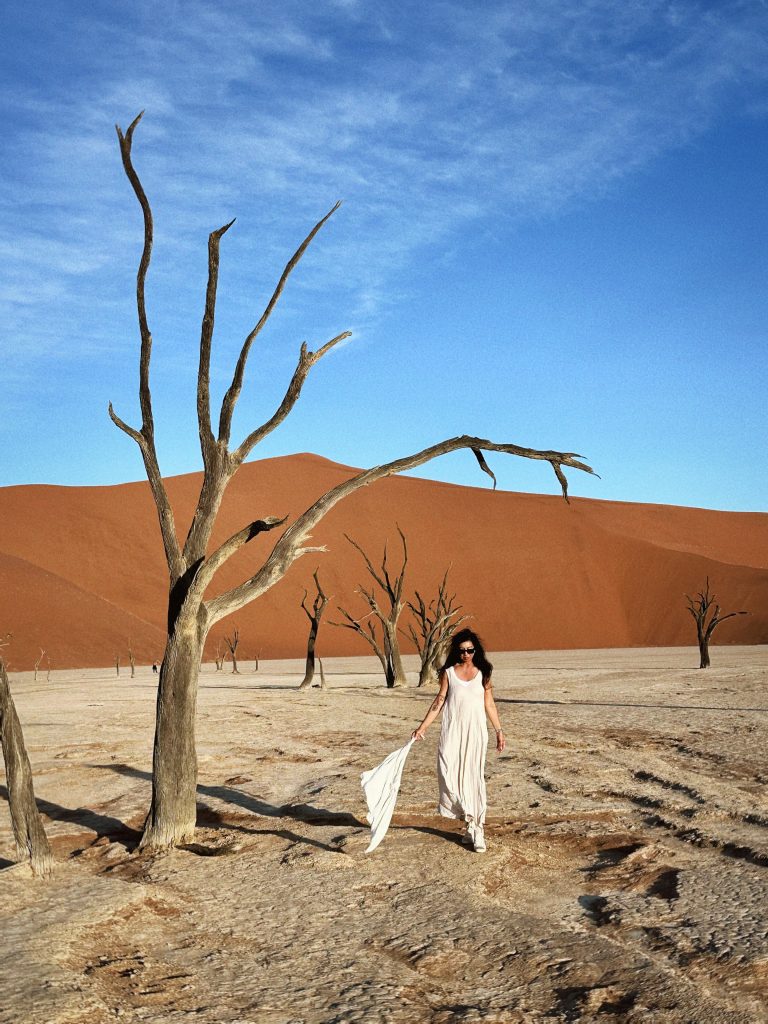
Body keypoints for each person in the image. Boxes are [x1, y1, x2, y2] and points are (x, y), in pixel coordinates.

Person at [411, 628, 505, 853]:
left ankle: (477, 828)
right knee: (449, 774)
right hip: (452, 731)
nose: (466, 654)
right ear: (456, 651)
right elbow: (439, 701)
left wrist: (499, 731)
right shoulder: (449, 673)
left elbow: (489, 704)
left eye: (470, 650)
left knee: (473, 778)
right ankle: (468, 821)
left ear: (476, 650)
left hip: (475, 733)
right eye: (462, 650)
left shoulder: (484, 672)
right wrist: (421, 728)